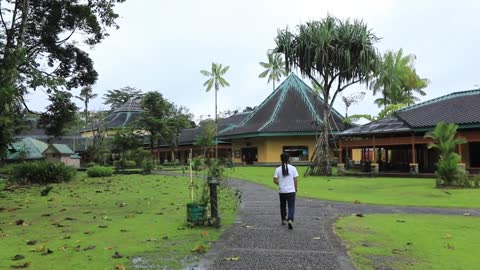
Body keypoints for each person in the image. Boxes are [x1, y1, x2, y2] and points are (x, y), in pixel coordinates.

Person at [273, 153, 299, 230]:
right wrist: (295, 188)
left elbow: (275, 180)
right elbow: (295, 180)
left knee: (283, 206)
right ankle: (290, 219)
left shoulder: (278, 169)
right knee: (291, 206)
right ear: (288, 159)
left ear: (281, 159)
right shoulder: (293, 168)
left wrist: (280, 183)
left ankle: (283, 220)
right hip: (291, 191)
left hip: (282, 191)